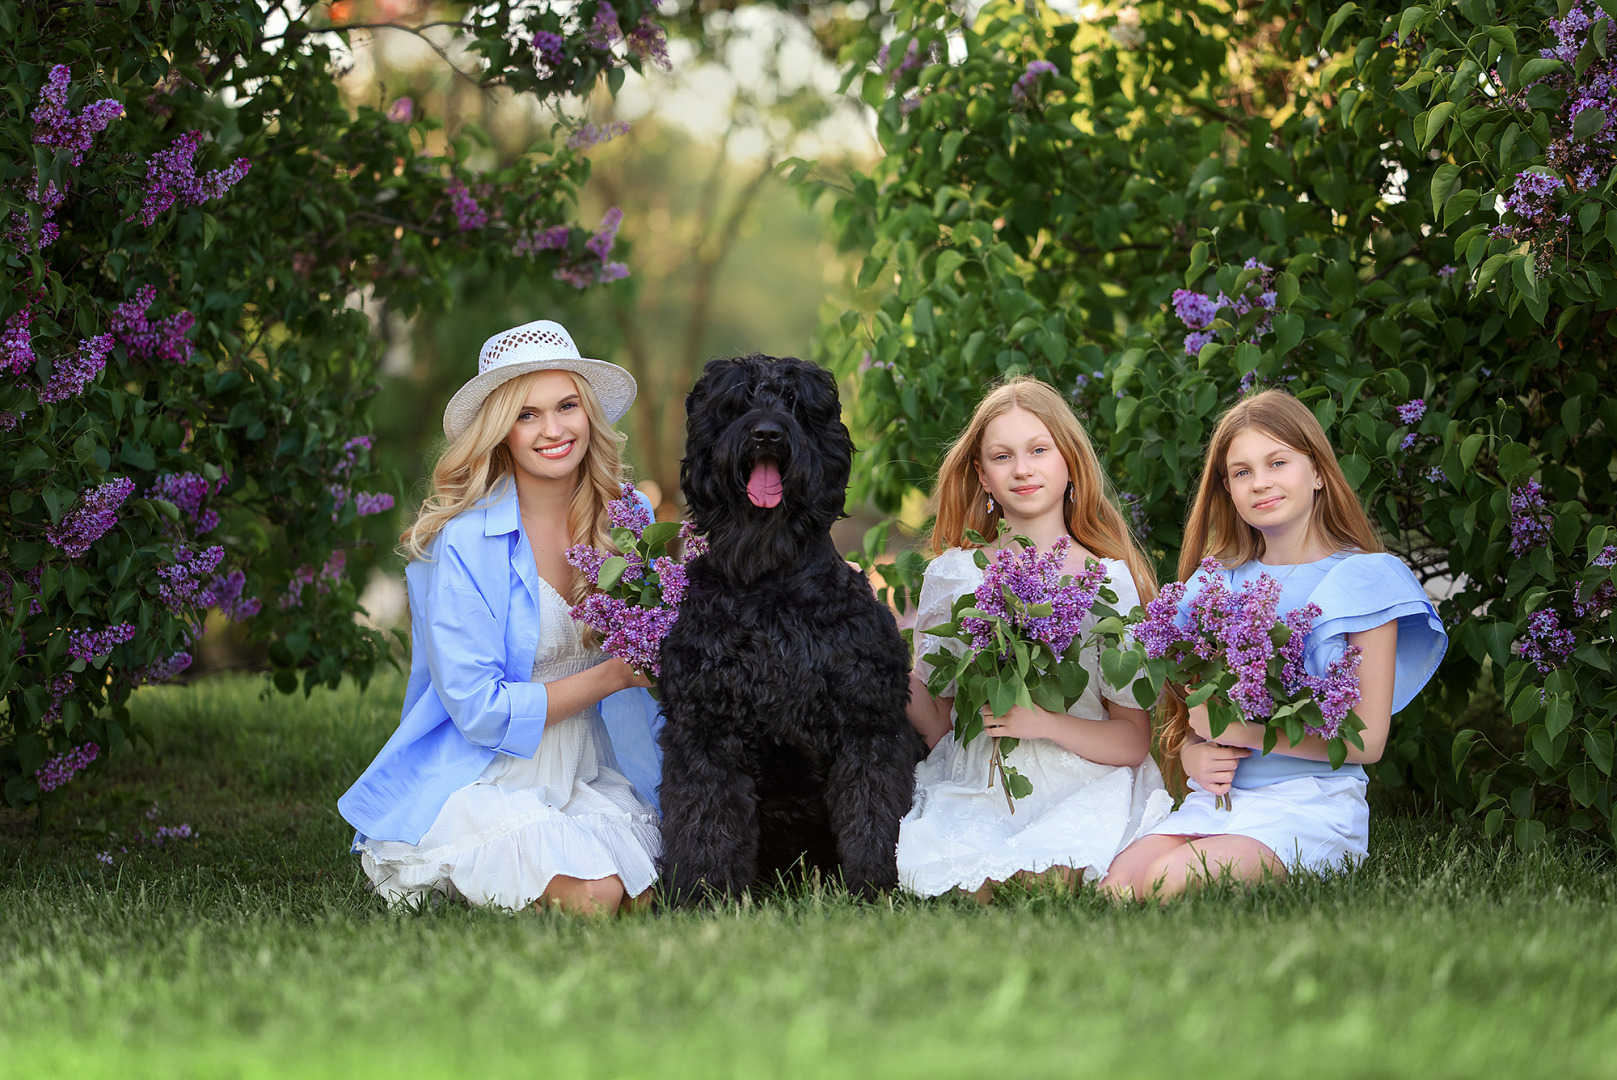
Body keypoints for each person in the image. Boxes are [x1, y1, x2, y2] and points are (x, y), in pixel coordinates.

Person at [338, 320, 664, 915]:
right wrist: (613, 674)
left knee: (645, 895)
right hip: (487, 771)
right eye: (527, 414)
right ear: (500, 432)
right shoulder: (467, 542)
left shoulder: (629, 518)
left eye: (567, 406)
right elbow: (478, 708)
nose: (553, 430)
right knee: (594, 899)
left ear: (589, 413)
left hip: (591, 763)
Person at [1101, 390, 1447, 902]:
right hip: (1219, 800)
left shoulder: (1366, 579)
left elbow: (1367, 742)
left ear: (1319, 472)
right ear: (1228, 489)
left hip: (1311, 802)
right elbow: (1202, 710)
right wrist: (1195, 756)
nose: (1260, 482)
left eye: (1278, 462)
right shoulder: (1216, 582)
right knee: (1118, 885)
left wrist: (1249, 734)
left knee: (1167, 881)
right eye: (1241, 472)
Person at [897, 377, 1173, 901]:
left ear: (1069, 461)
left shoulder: (1108, 582)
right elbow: (939, 724)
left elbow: (1133, 741)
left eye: (1039, 450)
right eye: (1002, 457)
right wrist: (871, 638)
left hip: (1086, 780)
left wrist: (1041, 721)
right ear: (982, 476)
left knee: (1050, 879)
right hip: (984, 782)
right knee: (962, 882)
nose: (1022, 469)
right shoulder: (956, 576)